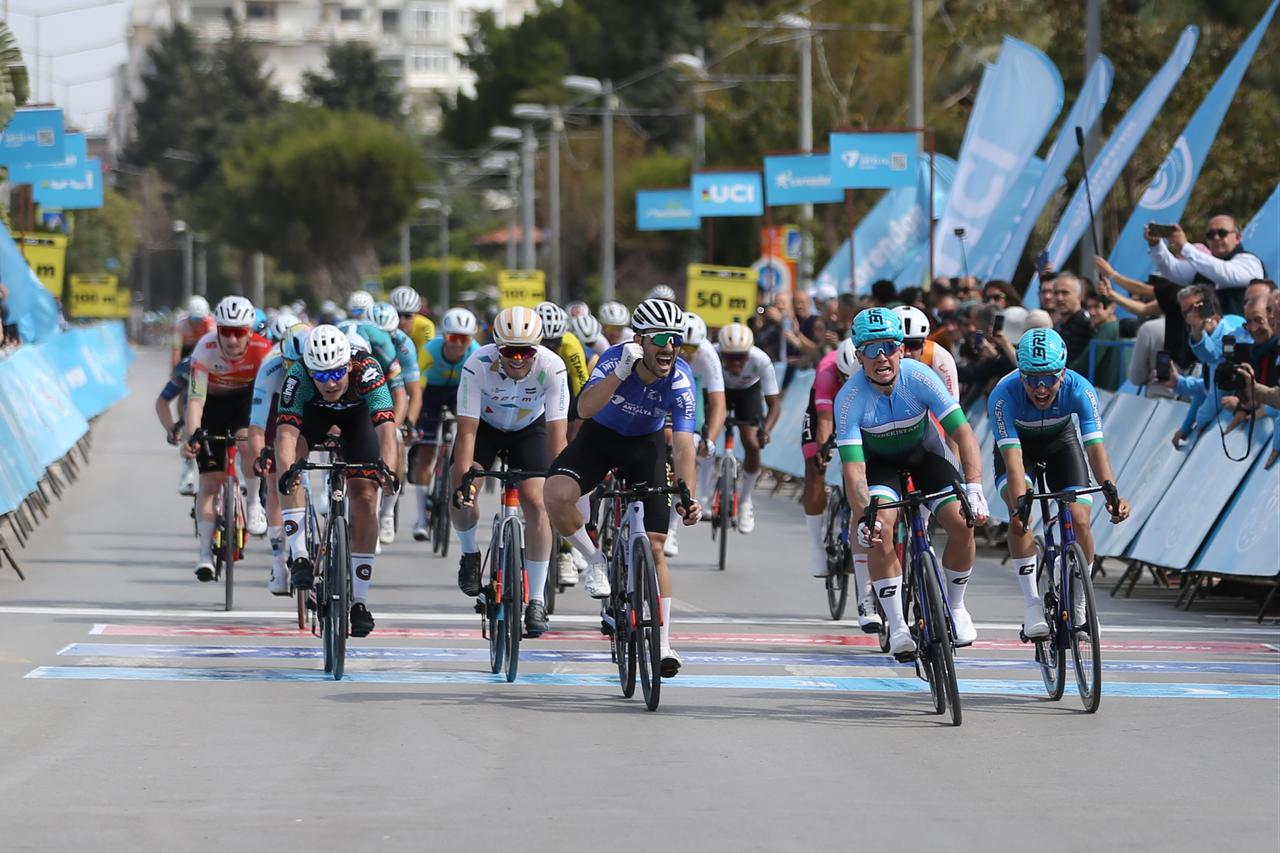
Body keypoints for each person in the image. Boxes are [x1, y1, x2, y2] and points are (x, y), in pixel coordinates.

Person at [543, 298, 703, 676]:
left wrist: (687, 493)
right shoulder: (615, 359)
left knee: (656, 546)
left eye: (676, 340)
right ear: (640, 341)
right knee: (556, 494)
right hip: (601, 438)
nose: (669, 348)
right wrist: (620, 373)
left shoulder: (680, 378)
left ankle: (663, 643)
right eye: (661, 339)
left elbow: (682, 444)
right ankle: (594, 560)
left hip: (645, 447)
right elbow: (584, 409)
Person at [834, 308, 990, 655]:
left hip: (926, 456)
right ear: (858, 356)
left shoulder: (920, 377)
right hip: (879, 466)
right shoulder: (848, 398)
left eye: (888, 346)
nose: (881, 357)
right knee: (880, 529)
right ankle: (899, 627)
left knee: (963, 523)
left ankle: (956, 606)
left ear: (902, 349)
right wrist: (863, 516)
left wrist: (975, 487)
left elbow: (962, 432)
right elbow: (855, 471)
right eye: (870, 350)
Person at [988, 328, 1130, 637]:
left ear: (1063, 372)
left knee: (1080, 520)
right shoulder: (1003, 395)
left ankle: (1080, 603)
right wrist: (1020, 507)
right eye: (1031, 379)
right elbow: (1013, 463)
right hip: (1018, 450)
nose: (1041, 388)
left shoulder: (1081, 389)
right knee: (1019, 518)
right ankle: (1032, 606)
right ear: (1020, 373)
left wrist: (1112, 492)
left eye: (1050, 378)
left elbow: (1095, 449)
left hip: (1061, 443)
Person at [451, 307, 570, 636]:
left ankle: (535, 600)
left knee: (537, 501)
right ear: (496, 347)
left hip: (529, 430)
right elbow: (466, 433)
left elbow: (558, 436)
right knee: (463, 487)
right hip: (485, 429)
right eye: (508, 351)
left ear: (538, 348)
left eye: (525, 351)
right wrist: (464, 482)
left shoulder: (552, 367)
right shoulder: (477, 365)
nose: (517, 358)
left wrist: (563, 483)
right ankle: (469, 551)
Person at [275, 325, 400, 638]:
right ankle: (300, 556)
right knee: (288, 470)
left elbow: (386, 430)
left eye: (335, 374)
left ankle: (359, 601)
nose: (329, 383)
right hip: (313, 418)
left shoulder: (367, 370)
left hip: (358, 421)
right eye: (320, 375)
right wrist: (290, 469)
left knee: (365, 496)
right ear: (309, 371)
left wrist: (388, 470)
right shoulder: (298, 377)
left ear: (347, 365)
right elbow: (286, 434)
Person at [181, 296, 273, 580]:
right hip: (214, 405)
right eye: (226, 332)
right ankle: (204, 555)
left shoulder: (263, 350)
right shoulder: (205, 349)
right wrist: (193, 435)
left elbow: (270, 396)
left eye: (239, 332)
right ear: (217, 330)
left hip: (247, 402)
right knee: (210, 481)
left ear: (250, 331)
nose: (232, 340)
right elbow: (195, 400)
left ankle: (255, 501)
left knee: (247, 442)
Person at [248, 323, 310, 594]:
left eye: (300, 365)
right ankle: (278, 562)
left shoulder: (321, 364)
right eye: (290, 364)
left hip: (313, 401)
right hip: (279, 404)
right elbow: (257, 425)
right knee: (276, 479)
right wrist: (262, 453)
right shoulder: (270, 367)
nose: (294, 371)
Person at [411, 308, 481, 541]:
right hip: (430, 394)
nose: (458, 345)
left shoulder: (476, 352)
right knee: (427, 452)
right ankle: (421, 519)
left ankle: (448, 477)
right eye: (453, 338)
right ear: (444, 336)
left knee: (465, 437)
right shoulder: (429, 350)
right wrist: (413, 419)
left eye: (465, 339)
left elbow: (483, 390)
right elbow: (417, 389)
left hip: (458, 393)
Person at [666, 311, 726, 557]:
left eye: (693, 347)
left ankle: (671, 529)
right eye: (684, 346)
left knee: (687, 445)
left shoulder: (708, 355)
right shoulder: (665, 351)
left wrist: (710, 438)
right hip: (662, 390)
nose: (688, 353)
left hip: (690, 393)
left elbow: (719, 404)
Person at [1162, 285, 1249, 449]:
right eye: (1185, 312)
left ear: (1211, 306)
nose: (1191, 315)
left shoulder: (1229, 332)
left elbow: (1217, 392)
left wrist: (1200, 423)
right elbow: (1208, 386)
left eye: (1196, 308)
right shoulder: (1213, 332)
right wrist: (1179, 384)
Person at [801, 339, 858, 584]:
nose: (846, 381)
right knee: (814, 467)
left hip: (859, 404)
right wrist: (823, 453)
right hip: (825, 407)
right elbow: (824, 420)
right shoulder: (826, 370)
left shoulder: (868, 371)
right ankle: (816, 546)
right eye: (843, 377)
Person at [716, 322, 781, 534]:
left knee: (752, 443)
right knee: (704, 436)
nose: (736, 363)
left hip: (748, 391)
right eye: (730, 357)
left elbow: (774, 404)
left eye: (741, 357)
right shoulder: (712, 354)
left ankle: (745, 501)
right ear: (721, 352)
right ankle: (706, 495)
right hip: (719, 390)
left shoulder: (760, 359)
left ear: (749, 353)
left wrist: (766, 430)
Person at [369, 302, 423, 543]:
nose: (381, 340)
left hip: (392, 395)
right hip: (363, 392)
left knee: (395, 441)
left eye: (387, 335)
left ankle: (387, 511)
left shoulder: (403, 346)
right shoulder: (356, 340)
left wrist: (404, 424)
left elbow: (412, 391)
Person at [1146, 216, 1267, 317]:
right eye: (1210, 234)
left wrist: (1185, 247)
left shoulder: (1249, 261)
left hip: (1241, 339)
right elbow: (1172, 269)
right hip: (1208, 341)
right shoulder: (1205, 265)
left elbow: (1224, 273)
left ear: (1237, 237)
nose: (1216, 238)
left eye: (1222, 233)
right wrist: (1156, 245)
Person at [894, 306, 959, 399]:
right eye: (899, 345)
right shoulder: (876, 357)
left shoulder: (938, 356)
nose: (906, 353)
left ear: (924, 342)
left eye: (914, 345)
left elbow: (953, 402)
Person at [155, 356, 197, 496]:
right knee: (191, 411)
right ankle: (188, 466)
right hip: (196, 409)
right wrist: (171, 428)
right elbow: (162, 401)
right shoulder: (190, 364)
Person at [1082, 289, 1123, 391]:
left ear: (1112, 307)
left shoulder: (1108, 329)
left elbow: (1084, 364)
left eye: (1096, 307)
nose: (1092, 312)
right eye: (1089, 307)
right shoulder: (1116, 328)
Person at [1050, 273, 1094, 367]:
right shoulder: (1058, 326)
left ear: (1079, 296)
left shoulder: (1086, 325)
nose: (1059, 298)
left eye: (1065, 293)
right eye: (1056, 293)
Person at [171, 295, 215, 366]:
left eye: (201, 319)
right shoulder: (181, 325)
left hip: (204, 349)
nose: (198, 322)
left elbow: (216, 349)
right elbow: (176, 350)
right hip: (186, 350)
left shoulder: (210, 325)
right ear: (189, 316)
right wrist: (175, 370)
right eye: (195, 319)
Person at [391, 286, 436, 351]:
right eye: (397, 315)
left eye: (407, 316)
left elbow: (427, 356)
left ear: (416, 315)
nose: (402, 321)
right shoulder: (385, 326)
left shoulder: (425, 327)